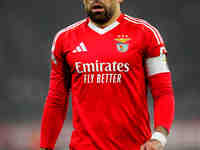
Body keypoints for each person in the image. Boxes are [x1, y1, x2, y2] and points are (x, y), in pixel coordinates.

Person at [40, 0, 175, 150]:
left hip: (134, 146)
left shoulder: (146, 34)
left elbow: (163, 93)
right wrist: (45, 146)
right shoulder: (64, 39)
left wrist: (159, 137)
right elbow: (56, 99)